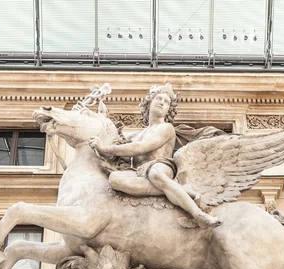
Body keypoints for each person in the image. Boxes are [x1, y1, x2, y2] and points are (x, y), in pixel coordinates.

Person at [89, 84, 222, 229]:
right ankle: (183, 190)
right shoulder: (136, 135)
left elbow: (140, 148)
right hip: (140, 173)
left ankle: (198, 214)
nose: (162, 103)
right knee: (114, 179)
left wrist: (105, 147)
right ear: (149, 102)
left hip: (160, 165)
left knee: (156, 175)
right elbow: (120, 148)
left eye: (166, 102)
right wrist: (101, 118)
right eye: (159, 98)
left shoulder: (166, 128)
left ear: (168, 110)